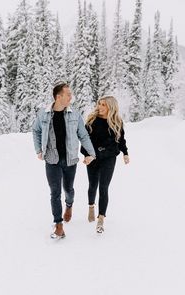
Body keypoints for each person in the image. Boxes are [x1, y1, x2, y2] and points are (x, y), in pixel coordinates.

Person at [32, 82, 96, 239]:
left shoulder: (74, 114)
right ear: (58, 96)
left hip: (70, 160)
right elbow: (36, 130)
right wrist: (39, 150)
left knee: (68, 189)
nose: (71, 97)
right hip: (51, 160)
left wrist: (91, 153)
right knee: (54, 193)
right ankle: (58, 225)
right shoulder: (44, 114)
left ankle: (69, 204)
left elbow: (83, 135)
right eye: (68, 94)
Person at [81, 96, 130, 233]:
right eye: (99, 104)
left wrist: (125, 153)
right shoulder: (92, 121)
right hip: (93, 158)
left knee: (104, 187)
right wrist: (86, 155)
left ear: (111, 107)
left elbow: (121, 140)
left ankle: (101, 219)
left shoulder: (117, 122)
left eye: (103, 105)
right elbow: (85, 141)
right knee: (92, 185)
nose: (100, 107)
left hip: (109, 158)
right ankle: (91, 206)